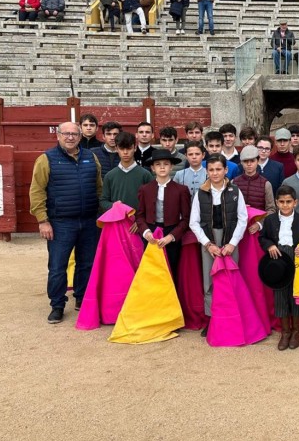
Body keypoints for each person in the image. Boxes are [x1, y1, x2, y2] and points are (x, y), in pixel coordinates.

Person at [29, 122, 102, 324]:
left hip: (88, 220)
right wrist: (43, 220)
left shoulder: (90, 157)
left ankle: (81, 297)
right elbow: (36, 191)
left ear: (80, 137)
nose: (70, 137)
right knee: (58, 265)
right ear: (58, 136)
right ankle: (57, 305)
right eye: (66, 134)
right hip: (60, 222)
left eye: (74, 134)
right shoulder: (46, 159)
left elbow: (98, 187)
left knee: (86, 263)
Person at [189, 154, 248, 336]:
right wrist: (208, 244)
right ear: (207, 171)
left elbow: (242, 219)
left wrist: (232, 243)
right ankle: (212, 319)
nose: (215, 173)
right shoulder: (201, 193)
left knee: (230, 280)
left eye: (218, 169)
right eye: (211, 170)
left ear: (225, 170)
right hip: (209, 241)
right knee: (210, 282)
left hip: (230, 240)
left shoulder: (235, 191)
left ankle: (232, 317)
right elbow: (194, 222)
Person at [259, 185, 299, 350]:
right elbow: (263, 238)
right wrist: (269, 246)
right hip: (277, 260)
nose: (285, 205)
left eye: (288, 202)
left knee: (296, 294)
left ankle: (296, 331)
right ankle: (285, 332)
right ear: (276, 202)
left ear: (295, 202)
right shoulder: (270, 220)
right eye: (282, 202)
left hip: (297, 260)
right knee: (280, 296)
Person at [136, 149, 191, 279]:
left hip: (171, 233)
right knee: (151, 272)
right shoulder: (145, 189)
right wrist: (146, 232)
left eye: (166, 164)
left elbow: (186, 219)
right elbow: (140, 215)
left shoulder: (181, 190)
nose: (162, 167)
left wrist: (171, 236)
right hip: (151, 233)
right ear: (152, 168)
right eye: (158, 164)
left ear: (171, 166)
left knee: (171, 270)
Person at [100, 132, 153, 212]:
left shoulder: (145, 175)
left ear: (135, 148)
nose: (125, 152)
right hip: (117, 221)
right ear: (116, 148)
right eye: (121, 148)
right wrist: (113, 205)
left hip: (139, 222)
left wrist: (142, 222)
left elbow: (152, 201)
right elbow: (103, 201)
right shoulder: (109, 176)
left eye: (128, 148)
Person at [233, 145, 276, 217]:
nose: (249, 164)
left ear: (258, 161)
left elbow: (271, 209)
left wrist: (259, 223)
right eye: (246, 161)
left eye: (252, 161)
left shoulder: (266, 184)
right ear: (241, 162)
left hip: (259, 226)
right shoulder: (234, 183)